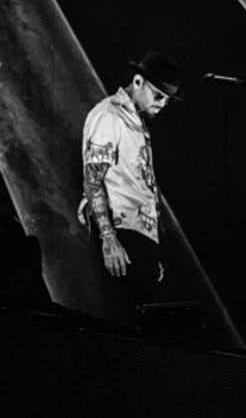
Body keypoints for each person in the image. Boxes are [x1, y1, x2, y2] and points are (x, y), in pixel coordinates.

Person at [78, 51, 183, 311]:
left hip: (140, 233)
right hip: (122, 231)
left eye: (167, 99)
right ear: (137, 82)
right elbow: (92, 181)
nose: (162, 104)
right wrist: (109, 238)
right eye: (158, 95)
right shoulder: (109, 116)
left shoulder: (134, 120)